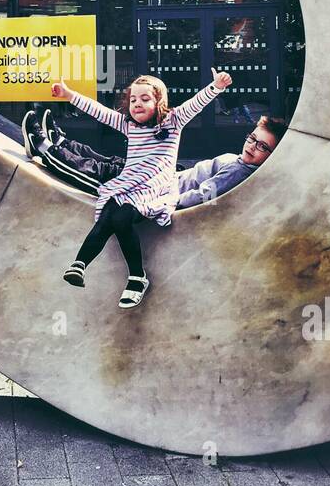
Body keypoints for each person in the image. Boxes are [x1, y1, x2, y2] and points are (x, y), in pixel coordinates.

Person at [53, 71, 230, 309]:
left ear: (159, 101)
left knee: (123, 213)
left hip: (155, 186)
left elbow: (195, 104)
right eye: (133, 99)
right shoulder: (128, 124)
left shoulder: (172, 121)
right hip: (129, 183)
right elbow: (99, 112)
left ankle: (137, 277)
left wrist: (216, 86)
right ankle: (80, 264)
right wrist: (68, 95)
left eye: (145, 98)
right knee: (110, 211)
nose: (137, 103)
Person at [24, 107, 281, 205]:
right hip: (168, 174)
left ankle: (46, 150)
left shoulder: (240, 172)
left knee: (103, 175)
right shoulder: (242, 163)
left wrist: (167, 203)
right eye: (252, 138)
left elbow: (205, 194)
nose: (252, 146)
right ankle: (63, 142)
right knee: (113, 163)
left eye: (261, 147)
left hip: (158, 189)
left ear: (272, 155)